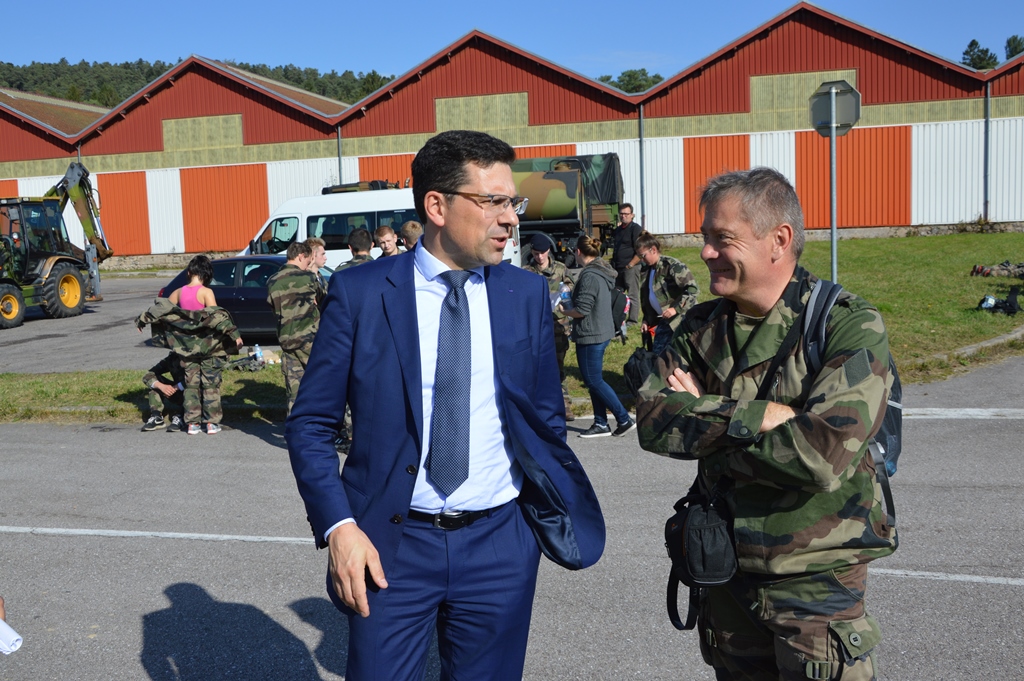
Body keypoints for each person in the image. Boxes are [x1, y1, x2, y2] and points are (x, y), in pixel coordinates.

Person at [285, 129, 605, 681]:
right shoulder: (362, 293)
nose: (510, 219)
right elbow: (311, 424)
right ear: (437, 205)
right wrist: (339, 527)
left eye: (513, 202)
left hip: (500, 544)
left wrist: (526, 530)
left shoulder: (524, 293)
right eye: (494, 202)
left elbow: (544, 417)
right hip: (390, 544)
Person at [635, 167, 897, 680]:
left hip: (814, 584)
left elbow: (821, 456)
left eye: (722, 238)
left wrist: (706, 415)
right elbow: (653, 419)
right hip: (725, 573)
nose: (705, 252)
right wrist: (769, 417)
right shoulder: (700, 327)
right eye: (705, 237)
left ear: (779, 240)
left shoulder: (844, 323)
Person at [137, 258, 243, 435]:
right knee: (210, 384)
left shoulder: (178, 292)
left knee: (191, 384)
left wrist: (142, 319)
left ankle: (192, 424)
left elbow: (162, 308)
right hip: (208, 347)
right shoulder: (206, 292)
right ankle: (211, 423)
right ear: (207, 275)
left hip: (186, 349)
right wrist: (235, 336)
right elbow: (216, 318)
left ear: (189, 272)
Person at [561, 235, 635, 438]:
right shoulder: (601, 270)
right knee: (594, 380)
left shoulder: (590, 276)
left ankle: (624, 419)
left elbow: (582, 310)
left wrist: (564, 310)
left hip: (591, 334)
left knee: (593, 381)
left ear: (578, 252)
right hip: (600, 330)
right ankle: (601, 423)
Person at [523, 234, 575, 420]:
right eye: (536, 254)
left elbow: (571, 286)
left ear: (548, 251)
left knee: (558, 366)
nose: (540, 257)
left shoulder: (560, 269)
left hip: (558, 325)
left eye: (543, 253)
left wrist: (566, 290)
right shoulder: (526, 271)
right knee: (537, 367)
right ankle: (542, 404)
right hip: (536, 327)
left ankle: (565, 404)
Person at [266, 241, 319, 415]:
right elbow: (325, 296)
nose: (307, 265)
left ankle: (296, 427)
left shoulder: (272, 281)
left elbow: (273, 307)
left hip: (287, 341)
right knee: (322, 383)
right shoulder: (309, 277)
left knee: (294, 391)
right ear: (301, 256)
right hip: (310, 340)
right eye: (307, 261)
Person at [635, 231, 699, 355]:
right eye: (639, 256)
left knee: (685, 355)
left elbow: (692, 289)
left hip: (683, 319)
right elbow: (648, 298)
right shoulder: (646, 270)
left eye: (643, 255)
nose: (641, 260)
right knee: (659, 356)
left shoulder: (672, 265)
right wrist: (646, 320)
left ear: (653, 250)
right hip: (664, 321)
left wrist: (675, 309)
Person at [610, 202, 643, 325]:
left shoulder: (636, 229)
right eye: (621, 214)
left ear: (632, 215)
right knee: (617, 293)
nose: (623, 216)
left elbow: (641, 250)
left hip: (630, 267)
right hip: (618, 268)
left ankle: (633, 320)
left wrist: (631, 264)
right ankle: (617, 318)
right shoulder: (618, 230)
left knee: (632, 294)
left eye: (626, 214)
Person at [141, 351, 186, 432]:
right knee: (155, 383)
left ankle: (182, 416)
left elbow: (200, 378)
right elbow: (148, 375)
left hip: (195, 395)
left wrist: (178, 386)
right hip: (177, 393)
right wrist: (161, 386)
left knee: (194, 387)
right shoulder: (172, 358)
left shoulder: (195, 356)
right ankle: (156, 417)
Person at [304, 236, 329, 306]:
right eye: (322, 254)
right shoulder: (305, 279)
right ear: (313, 255)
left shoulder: (320, 277)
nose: (325, 258)